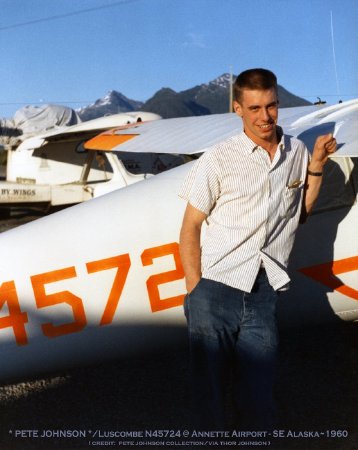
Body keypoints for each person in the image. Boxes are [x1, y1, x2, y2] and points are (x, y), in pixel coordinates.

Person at [178, 68, 336, 430]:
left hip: (264, 290)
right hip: (215, 288)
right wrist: (195, 290)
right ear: (237, 108)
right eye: (254, 108)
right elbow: (190, 227)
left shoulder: (295, 151)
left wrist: (316, 166)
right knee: (210, 394)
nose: (265, 117)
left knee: (259, 394)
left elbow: (301, 214)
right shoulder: (218, 157)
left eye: (272, 106)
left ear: (278, 102)